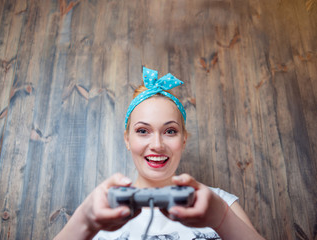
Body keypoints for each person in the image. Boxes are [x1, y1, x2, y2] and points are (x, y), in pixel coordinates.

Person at [54, 67, 265, 240]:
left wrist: (221, 218)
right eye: (143, 131)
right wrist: (84, 221)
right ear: (127, 139)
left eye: (170, 131)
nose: (157, 145)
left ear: (183, 140)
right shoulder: (100, 211)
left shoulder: (221, 203)